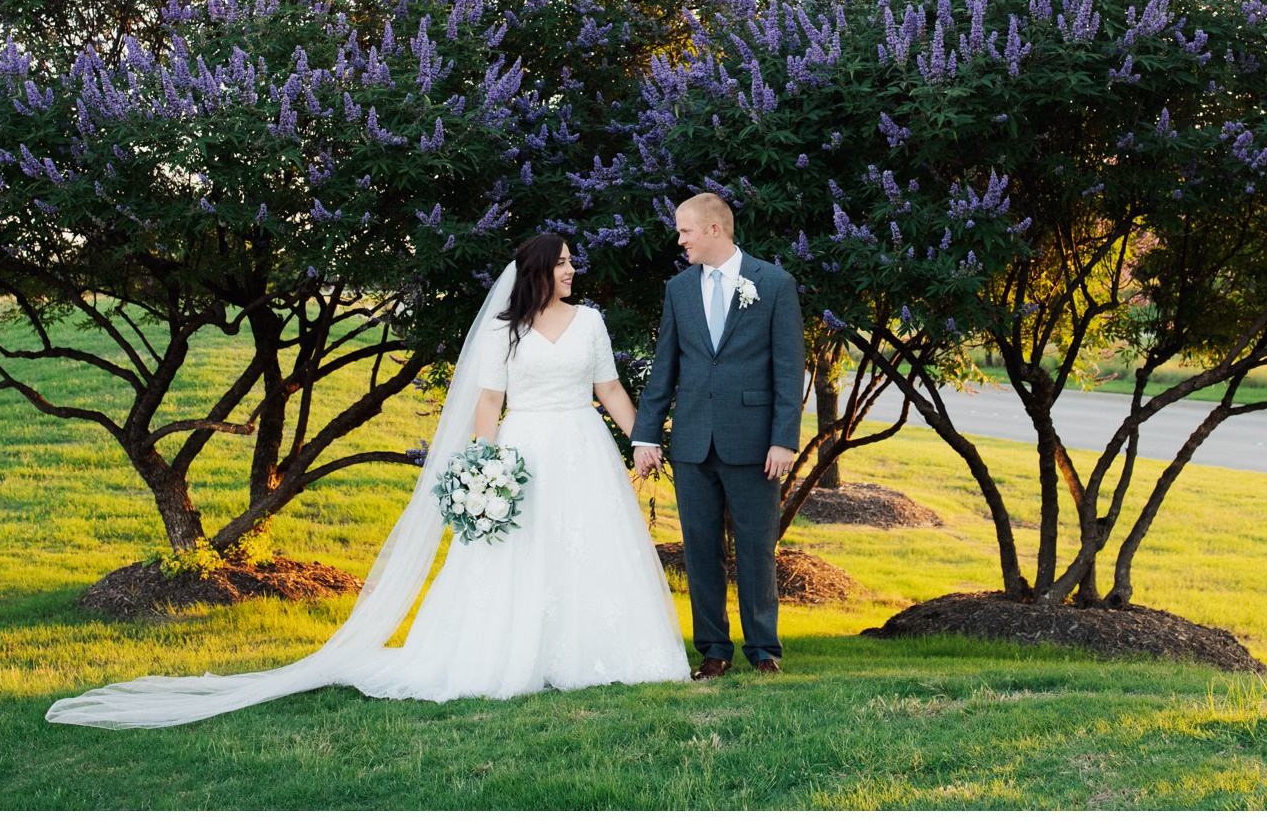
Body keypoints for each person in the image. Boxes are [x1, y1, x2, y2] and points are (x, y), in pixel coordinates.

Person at [45, 234, 688, 728]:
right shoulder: (504, 331)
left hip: (582, 447)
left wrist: (641, 439)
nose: (573, 271)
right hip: (523, 448)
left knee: (590, 549)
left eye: (573, 263)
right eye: (565, 263)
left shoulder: (592, 323)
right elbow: (488, 404)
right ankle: (512, 653)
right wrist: (486, 464)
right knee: (516, 555)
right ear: (538, 272)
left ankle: (599, 655)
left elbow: (609, 389)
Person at [630, 193, 805, 678]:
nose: (679, 239)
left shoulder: (774, 283)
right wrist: (647, 436)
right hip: (691, 442)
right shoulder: (678, 289)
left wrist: (784, 439)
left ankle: (764, 650)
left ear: (714, 229)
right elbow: (665, 367)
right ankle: (713, 650)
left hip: (754, 442)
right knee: (700, 548)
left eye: (685, 230)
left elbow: (789, 370)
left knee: (755, 548)